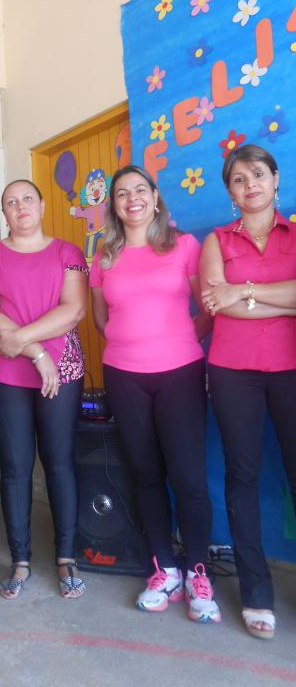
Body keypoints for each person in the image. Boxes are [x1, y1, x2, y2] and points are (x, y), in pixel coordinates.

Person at [90, 164, 220, 624]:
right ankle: (164, 568)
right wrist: (130, 344)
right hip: (124, 375)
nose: (132, 199)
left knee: (188, 477)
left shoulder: (184, 245)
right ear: (114, 205)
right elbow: (100, 318)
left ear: (155, 196)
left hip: (180, 372)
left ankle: (198, 573)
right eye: (122, 193)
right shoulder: (104, 256)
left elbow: (207, 308)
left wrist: (178, 339)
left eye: (140, 190)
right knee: (144, 474)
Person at [0, 179, 88, 599]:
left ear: (41, 205)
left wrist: (22, 339)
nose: (20, 206)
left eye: (27, 199)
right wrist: (36, 352)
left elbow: (74, 310)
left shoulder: (68, 253)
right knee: (16, 467)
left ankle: (66, 557)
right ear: (3, 213)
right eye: (10, 202)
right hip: (6, 373)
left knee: (60, 463)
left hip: (63, 369)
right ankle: (20, 560)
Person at [199, 143, 296, 639]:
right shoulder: (217, 240)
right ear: (230, 192)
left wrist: (246, 290)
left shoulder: (294, 234)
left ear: (275, 180)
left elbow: (235, 297)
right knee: (242, 475)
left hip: (291, 369)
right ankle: (256, 591)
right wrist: (282, 300)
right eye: (239, 179)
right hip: (233, 372)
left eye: (257, 174)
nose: (250, 184)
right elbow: (217, 304)